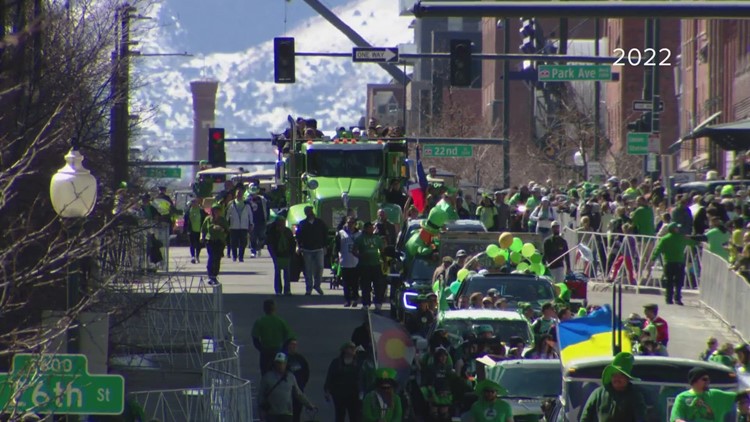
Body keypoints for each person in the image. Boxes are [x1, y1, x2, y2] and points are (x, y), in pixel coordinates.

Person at [580, 352, 646, 422]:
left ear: (627, 378)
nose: (617, 379)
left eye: (621, 375)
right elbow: (585, 418)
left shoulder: (635, 396)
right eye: (614, 375)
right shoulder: (598, 394)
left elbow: (641, 419)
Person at [671, 367, 750, 422]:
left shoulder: (715, 395)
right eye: (704, 379)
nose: (708, 381)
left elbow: (740, 395)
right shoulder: (682, 398)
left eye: (708, 379)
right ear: (694, 381)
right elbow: (676, 418)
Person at [258, 352, 316, 422]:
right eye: (278, 363)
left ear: (286, 364)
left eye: (282, 363)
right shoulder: (267, 377)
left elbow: (298, 394)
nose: (280, 365)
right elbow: (261, 396)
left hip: (287, 414)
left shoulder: (290, 377)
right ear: (275, 364)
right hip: (272, 414)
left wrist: (309, 405)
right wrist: (261, 412)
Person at [650, 222, 697, 305]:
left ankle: (668, 299)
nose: (679, 229)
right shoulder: (681, 238)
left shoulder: (664, 239)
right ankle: (677, 298)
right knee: (678, 282)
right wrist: (697, 240)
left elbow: (658, 249)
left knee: (669, 281)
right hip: (679, 262)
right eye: (677, 228)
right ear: (674, 229)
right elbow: (693, 243)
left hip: (668, 262)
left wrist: (653, 258)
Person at [252, 299, 295, 375]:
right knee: (280, 373)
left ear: (264, 309)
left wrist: (261, 349)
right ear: (275, 308)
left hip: (265, 352)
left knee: (265, 373)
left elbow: (255, 338)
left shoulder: (260, 321)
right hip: (279, 351)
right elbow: (290, 337)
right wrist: (284, 350)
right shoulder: (281, 321)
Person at [324, 342, 363, 422]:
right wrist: (327, 390)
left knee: (354, 417)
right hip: (339, 395)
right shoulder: (336, 362)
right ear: (345, 350)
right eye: (350, 348)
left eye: (354, 348)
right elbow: (330, 376)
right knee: (339, 416)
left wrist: (362, 391)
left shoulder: (359, 362)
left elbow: (362, 378)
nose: (353, 350)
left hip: (354, 395)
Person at [295, 206, 328, 296]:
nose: (310, 213)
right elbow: (298, 236)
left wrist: (325, 246)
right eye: (307, 211)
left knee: (320, 268)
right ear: (305, 213)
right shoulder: (302, 223)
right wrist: (299, 246)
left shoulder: (320, 223)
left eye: (310, 211)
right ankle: (308, 288)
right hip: (307, 250)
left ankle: (317, 286)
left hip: (319, 248)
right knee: (308, 270)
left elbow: (325, 234)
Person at [353, 222, 386, 310]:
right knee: (365, 285)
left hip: (376, 265)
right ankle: (366, 303)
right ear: (365, 229)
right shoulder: (360, 239)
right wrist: (360, 256)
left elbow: (382, 251)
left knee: (378, 285)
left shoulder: (377, 238)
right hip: (364, 265)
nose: (372, 230)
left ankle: (378, 302)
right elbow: (354, 251)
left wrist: (385, 262)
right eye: (370, 228)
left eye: (372, 228)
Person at [267, 212, 296, 295]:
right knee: (277, 272)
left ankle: (287, 290)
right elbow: (270, 244)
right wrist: (273, 255)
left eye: (283, 222)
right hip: (277, 255)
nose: (282, 224)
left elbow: (292, 243)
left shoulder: (288, 231)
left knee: (287, 273)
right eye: (281, 222)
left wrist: (291, 253)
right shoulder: (272, 232)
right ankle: (278, 290)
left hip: (286, 255)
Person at [200, 204, 229, 285]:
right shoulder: (208, 219)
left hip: (220, 241)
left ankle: (214, 275)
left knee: (217, 258)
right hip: (210, 241)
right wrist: (202, 237)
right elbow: (203, 229)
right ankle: (210, 275)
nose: (217, 212)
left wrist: (221, 229)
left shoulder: (222, 220)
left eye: (218, 210)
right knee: (211, 257)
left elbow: (227, 230)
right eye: (215, 210)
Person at [335, 217, 361, 307]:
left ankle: (355, 299)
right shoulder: (341, 233)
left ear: (355, 224)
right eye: (348, 223)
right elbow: (337, 246)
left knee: (355, 283)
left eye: (352, 223)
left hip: (355, 262)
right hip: (344, 261)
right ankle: (347, 300)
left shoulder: (359, 234)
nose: (350, 224)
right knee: (345, 283)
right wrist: (336, 257)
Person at [283, 339, 310, 422]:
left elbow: (306, 372)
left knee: (297, 414)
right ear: (287, 345)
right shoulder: (282, 357)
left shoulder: (300, 358)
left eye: (295, 344)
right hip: (285, 391)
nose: (294, 346)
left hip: (298, 389)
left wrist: (302, 384)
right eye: (292, 344)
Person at [184, 198, 207, 264]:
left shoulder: (201, 211)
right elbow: (185, 221)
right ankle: (193, 257)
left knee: (198, 244)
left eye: (195, 202)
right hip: (191, 230)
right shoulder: (188, 211)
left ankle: (197, 256)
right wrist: (185, 230)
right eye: (193, 202)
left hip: (199, 230)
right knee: (192, 244)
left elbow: (206, 218)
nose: (194, 204)